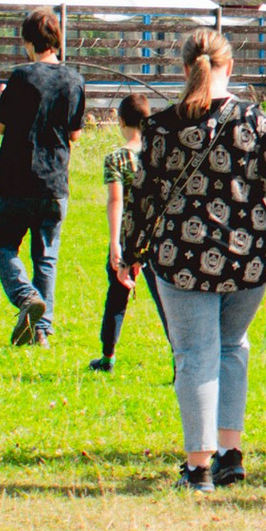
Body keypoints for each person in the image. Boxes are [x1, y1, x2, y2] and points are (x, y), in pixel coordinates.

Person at [124, 27, 266, 492]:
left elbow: (142, 196)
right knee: (232, 349)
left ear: (185, 68)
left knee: (194, 356)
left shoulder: (161, 127)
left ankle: (198, 466)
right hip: (247, 261)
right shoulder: (255, 122)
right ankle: (230, 455)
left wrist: (128, 252)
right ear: (231, 67)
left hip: (180, 259)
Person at [0, 7, 86, 346]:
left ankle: (26, 297)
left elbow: (1, 125)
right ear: (57, 40)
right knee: (46, 256)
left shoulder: (21, 77)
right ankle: (41, 332)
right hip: (54, 182)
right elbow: (75, 134)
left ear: (29, 42)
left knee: (3, 245)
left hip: (17, 179)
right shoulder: (74, 80)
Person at [87, 92, 157, 373]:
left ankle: (108, 356)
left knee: (117, 295)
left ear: (120, 121)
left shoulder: (117, 159)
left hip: (128, 236)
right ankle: (180, 357)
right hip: (157, 237)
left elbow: (115, 201)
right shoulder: (158, 155)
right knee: (166, 300)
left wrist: (115, 242)